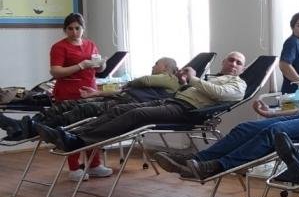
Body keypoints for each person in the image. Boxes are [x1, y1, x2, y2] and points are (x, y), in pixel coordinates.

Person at [152, 70, 299, 180]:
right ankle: (194, 160)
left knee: (275, 132)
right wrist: (271, 112)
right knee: (245, 128)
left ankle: (215, 166)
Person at [38, 51, 247, 151]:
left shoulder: (239, 84)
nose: (233, 64)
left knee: (136, 114)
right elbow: (193, 89)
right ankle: (73, 135)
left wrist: (193, 79)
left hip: (187, 112)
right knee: (119, 110)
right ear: (223, 61)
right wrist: (186, 82)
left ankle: (80, 141)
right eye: (231, 59)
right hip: (173, 102)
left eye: (238, 62)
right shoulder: (211, 78)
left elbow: (220, 94)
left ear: (242, 69)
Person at [0, 57, 179, 141]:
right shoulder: (156, 80)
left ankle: (32, 128)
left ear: (165, 67)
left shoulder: (170, 79)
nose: (153, 65)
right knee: (70, 104)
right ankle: (27, 126)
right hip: (121, 98)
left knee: (83, 110)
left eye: (156, 63)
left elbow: (143, 80)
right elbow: (121, 90)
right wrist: (96, 93)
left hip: (127, 104)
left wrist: (131, 83)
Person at [47, 13, 109, 181]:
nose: (74, 32)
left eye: (77, 28)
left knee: (93, 127)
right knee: (72, 129)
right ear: (65, 30)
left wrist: (101, 64)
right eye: (70, 29)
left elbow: (99, 69)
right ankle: (74, 168)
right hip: (68, 93)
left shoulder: (90, 44)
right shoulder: (59, 47)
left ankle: (94, 164)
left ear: (83, 28)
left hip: (90, 91)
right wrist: (80, 65)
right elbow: (55, 71)